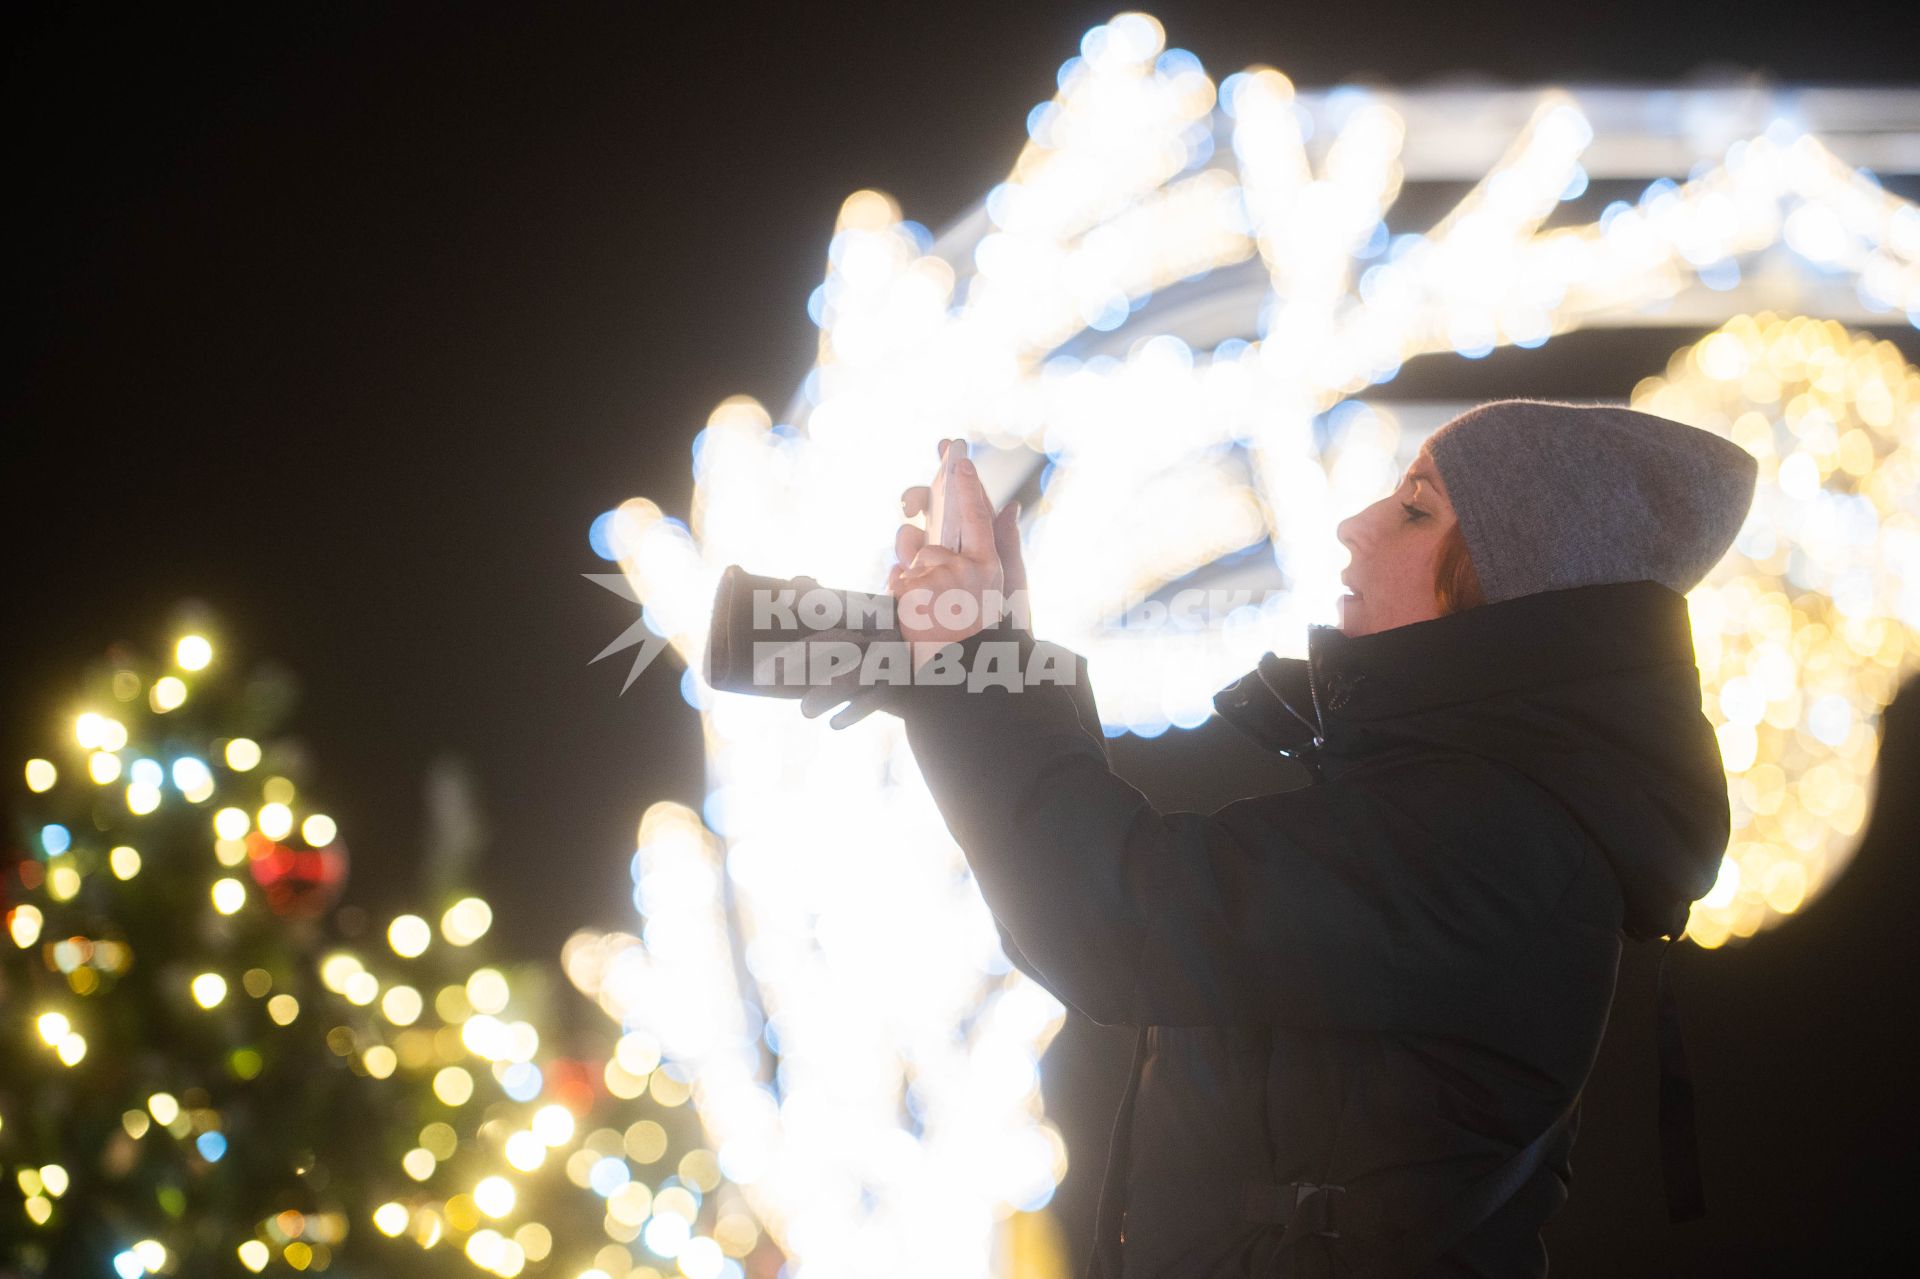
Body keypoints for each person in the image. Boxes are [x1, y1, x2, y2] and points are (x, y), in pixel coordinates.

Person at [810, 399, 1758, 1277]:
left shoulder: (1492, 845)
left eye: (1416, 511)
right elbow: (1098, 906)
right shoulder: (1463, 815)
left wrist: (974, 668)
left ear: (1509, 595)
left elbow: (1120, 917)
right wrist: (993, 661)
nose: (1357, 525)